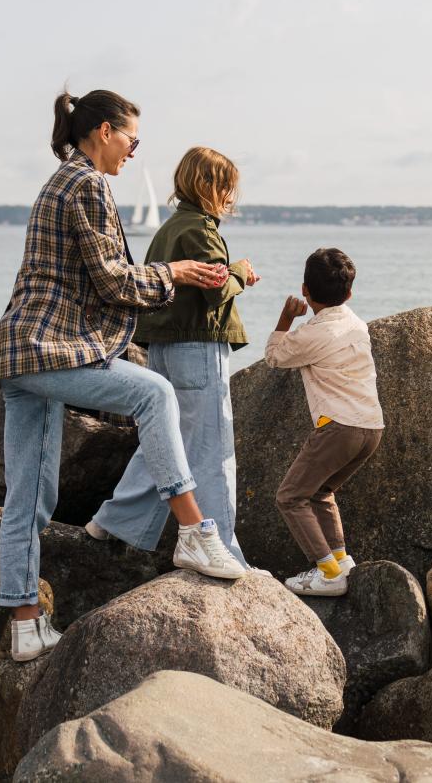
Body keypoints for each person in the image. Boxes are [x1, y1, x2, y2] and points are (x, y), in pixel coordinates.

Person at [0, 88, 248, 663]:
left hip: (18, 353)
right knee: (155, 392)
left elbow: (88, 279)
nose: (133, 151)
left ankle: (26, 625)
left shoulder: (59, 181)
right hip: (50, 351)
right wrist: (174, 271)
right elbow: (111, 280)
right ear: (104, 132)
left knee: (28, 495)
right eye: (132, 139)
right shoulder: (88, 183)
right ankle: (196, 535)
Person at [86, 146, 258, 567]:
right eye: (227, 189)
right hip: (197, 345)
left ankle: (112, 520)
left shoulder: (168, 229)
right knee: (211, 450)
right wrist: (241, 272)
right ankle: (223, 551)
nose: (231, 199)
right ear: (208, 187)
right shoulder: (199, 229)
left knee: (165, 441)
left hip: (164, 344)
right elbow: (216, 288)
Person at [264, 248, 384, 596]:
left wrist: (286, 318)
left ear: (305, 290)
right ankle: (341, 559)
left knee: (290, 497)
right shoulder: (356, 323)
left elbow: (274, 356)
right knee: (321, 491)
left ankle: (328, 573)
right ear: (349, 293)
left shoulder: (311, 334)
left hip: (339, 428)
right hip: (372, 428)